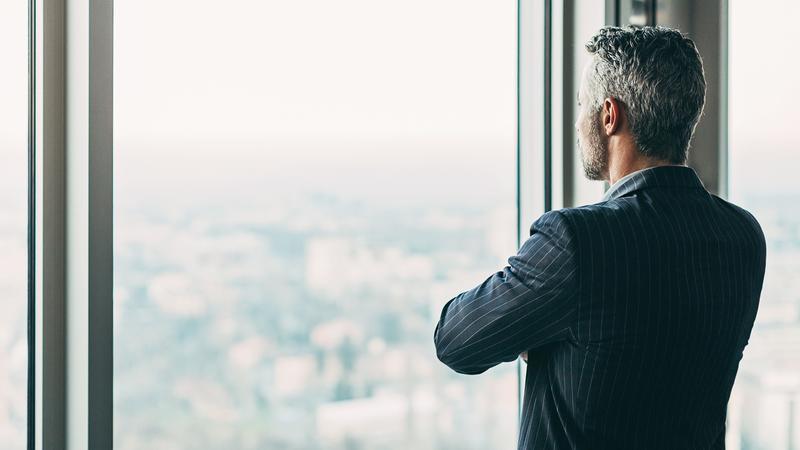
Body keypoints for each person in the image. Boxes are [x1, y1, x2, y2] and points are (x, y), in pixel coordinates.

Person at [433, 25, 766, 449]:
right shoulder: (743, 237)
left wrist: (540, 334)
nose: (577, 123)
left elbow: (455, 340)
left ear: (610, 115)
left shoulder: (577, 242)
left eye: (581, 105)